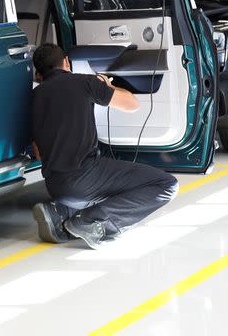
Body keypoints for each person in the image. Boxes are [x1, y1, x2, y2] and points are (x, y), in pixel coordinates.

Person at [30, 43, 179, 249]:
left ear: (39, 73)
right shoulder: (84, 83)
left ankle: (61, 212)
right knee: (167, 185)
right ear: (66, 62)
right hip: (85, 177)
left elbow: (38, 153)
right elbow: (131, 105)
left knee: (98, 184)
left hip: (55, 185)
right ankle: (90, 222)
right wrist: (107, 86)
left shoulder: (34, 98)